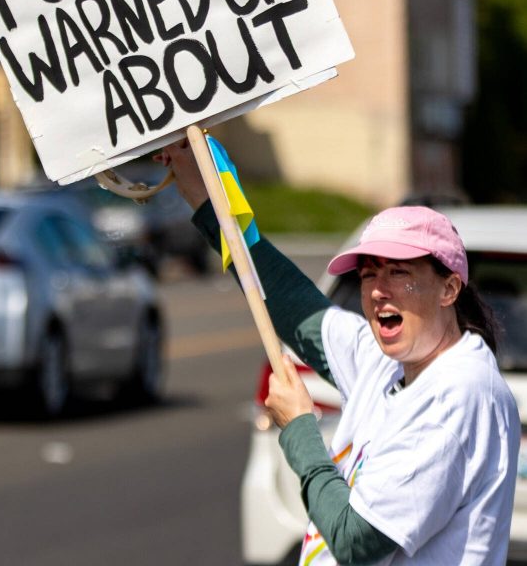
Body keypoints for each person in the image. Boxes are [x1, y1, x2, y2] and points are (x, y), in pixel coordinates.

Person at [160, 140, 520, 566]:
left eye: (399, 272)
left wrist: (299, 430)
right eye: (369, 274)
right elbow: (295, 307)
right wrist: (206, 198)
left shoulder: (456, 394)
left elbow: (358, 544)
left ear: (449, 288)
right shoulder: (392, 361)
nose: (378, 290)